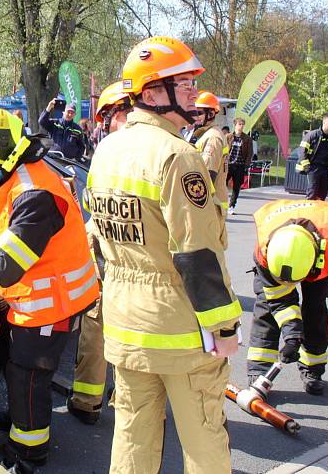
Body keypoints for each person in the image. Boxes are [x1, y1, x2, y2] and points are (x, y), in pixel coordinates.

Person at [86, 36, 241, 474]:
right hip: (180, 334)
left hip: (126, 326)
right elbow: (197, 255)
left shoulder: (106, 151)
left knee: (133, 439)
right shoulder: (178, 156)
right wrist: (224, 326)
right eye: (184, 81)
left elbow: (100, 239)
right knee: (204, 442)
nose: (194, 89)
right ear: (152, 93)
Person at [0, 108, 99, 472]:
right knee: (18, 368)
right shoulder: (19, 178)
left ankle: (29, 453)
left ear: (4, 152)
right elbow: (6, 234)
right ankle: (23, 424)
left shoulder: (34, 191)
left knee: (30, 377)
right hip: (36, 300)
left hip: (51, 304)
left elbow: (9, 262)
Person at [68, 81, 132, 426]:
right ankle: (126, 400)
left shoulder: (113, 150)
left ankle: (87, 400)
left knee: (96, 325)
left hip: (110, 250)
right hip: (145, 261)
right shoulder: (166, 146)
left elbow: (93, 203)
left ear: (114, 113)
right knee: (133, 331)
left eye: (106, 118)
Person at [246, 199, 328, 396]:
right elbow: (280, 300)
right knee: (267, 308)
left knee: (315, 308)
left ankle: (313, 369)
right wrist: (293, 336)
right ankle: (259, 370)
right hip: (277, 256)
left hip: (323, 251)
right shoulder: (265, 250)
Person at [194, 91, 229, 239]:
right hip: (213, 204)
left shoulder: (212, 138)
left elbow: (207, 176)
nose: (195, 116)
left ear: (211, 114)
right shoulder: (208, 134)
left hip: (211, 205)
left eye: (199, 113)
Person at [296, 115, 328, 200]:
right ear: (324, 122)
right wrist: (307, 168)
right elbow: (302, 152)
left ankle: (318, 213)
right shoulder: (312, 135)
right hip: (313, 168)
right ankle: (308, 212)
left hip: (327, 170)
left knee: (322, 195)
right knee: (312, 193)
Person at [226, 118, 254, 214]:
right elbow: (224, 150)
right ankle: (221, 205)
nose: (241, 126)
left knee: (236, 187)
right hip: (229, 165)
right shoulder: (228, 137)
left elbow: (250, 153)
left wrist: (246, 166)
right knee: (222, 185)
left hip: (240, 166)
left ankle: (231, 206)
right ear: (235, 125)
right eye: (239, 124)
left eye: (242, 124)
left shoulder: (247, 139)